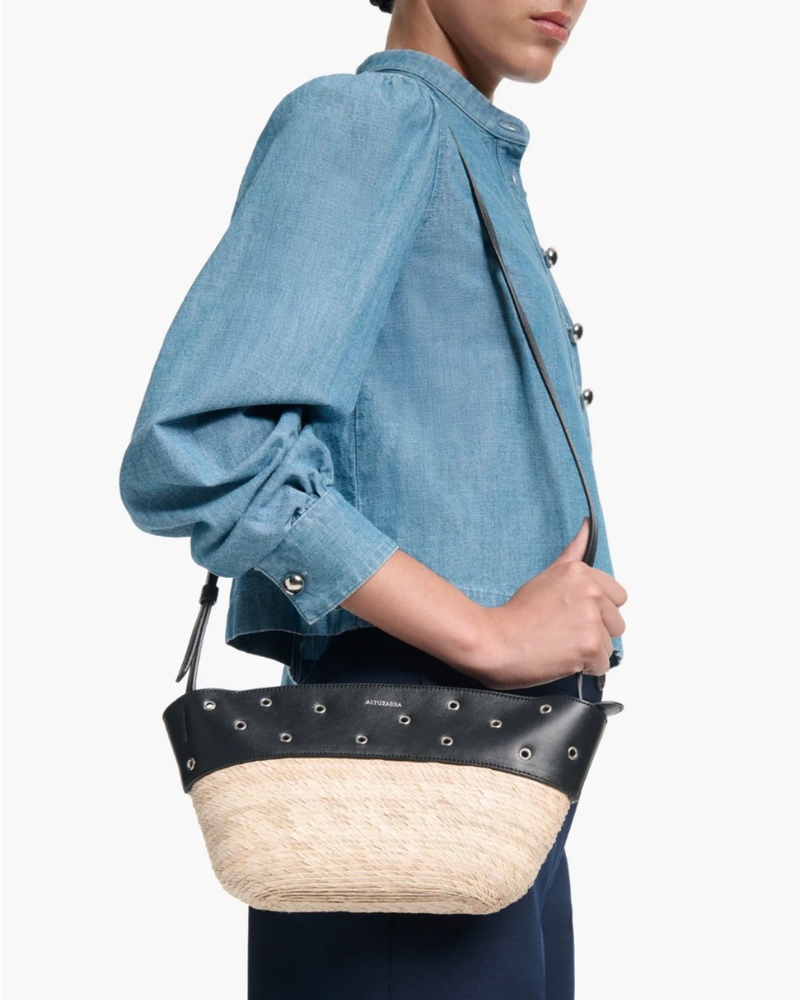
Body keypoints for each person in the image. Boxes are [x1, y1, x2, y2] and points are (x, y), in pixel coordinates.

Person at [119, 1, 628, 997]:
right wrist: (484, 634)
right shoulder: (370, 123)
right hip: (402, 766)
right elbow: (204, 447)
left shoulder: (466, 153)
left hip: (508, 784)